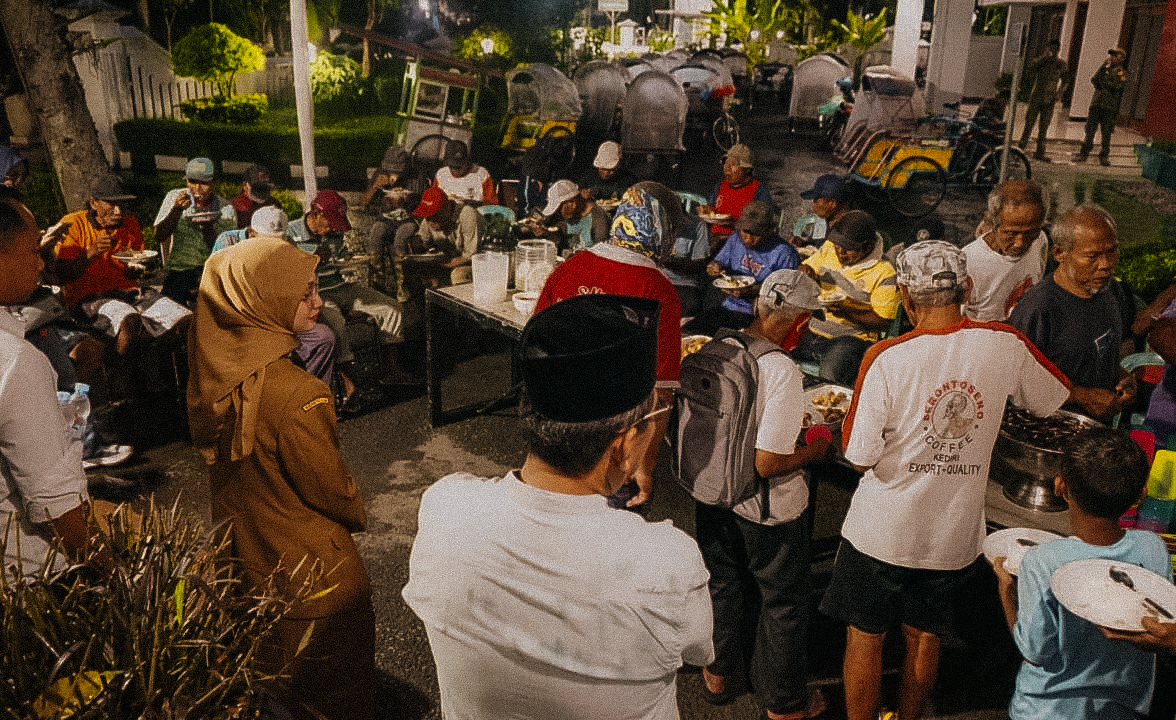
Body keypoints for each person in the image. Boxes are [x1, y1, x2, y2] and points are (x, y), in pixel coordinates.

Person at [402, 294, 713, 720]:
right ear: (622, 443)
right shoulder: (667, 562)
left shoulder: (445, 508)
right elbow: (697, 649)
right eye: (656, 415)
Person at [819, 240, 1070, 720]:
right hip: (952, 534)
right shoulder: (1005, 343)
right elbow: (1049, 398)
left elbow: (859, 454)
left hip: (881, 531)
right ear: (969, 287)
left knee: (866, 635)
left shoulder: (886, 356)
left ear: (907, 299)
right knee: (925, 634)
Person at [187, 235, 374, 720]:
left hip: (245, 564)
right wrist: (358, 510)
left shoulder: (216, 373)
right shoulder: (300, 393)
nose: (318, 303)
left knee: (273, 693)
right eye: (305, 293)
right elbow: (332, 491)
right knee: (337, 700)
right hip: (314, 580)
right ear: (260, 298)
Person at [694, 270, 831, 720]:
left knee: (724, 581)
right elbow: (768, 464)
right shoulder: (781, 370)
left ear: (759, 305)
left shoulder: (717, 346)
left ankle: (718, 674)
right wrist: (815, 449)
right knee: (784, 603)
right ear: (800, 322)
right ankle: (785, 702)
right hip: (765, 508)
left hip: (713, 494)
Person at [994, 427, 1169, 720]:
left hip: (1045, 711)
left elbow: (1036, 651)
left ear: (1060, 485)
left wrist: (1007, 592)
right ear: (1141, 493)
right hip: (1122, 711)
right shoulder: (1153, 548)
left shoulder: (1042, 560)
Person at [536, 190, 681, 509]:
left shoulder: (568, 268)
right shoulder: (658, 290)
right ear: (658, 232)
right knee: (608, 545)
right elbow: (661, 393)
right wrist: (645, 466)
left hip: (554, 434)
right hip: (613, 447)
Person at [0, 195, 94, 578]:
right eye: (32, 250)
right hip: (28, 579)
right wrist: (111, 575)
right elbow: (56, 504)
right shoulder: (14, 361)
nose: (40, 263)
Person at [1007, 204, 1136, 422]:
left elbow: (1099, 353)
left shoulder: (1111, 291)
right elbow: (1015, 384)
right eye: (1092, 256)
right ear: (1060, 253)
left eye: (1112, 251)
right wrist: (1084, 397)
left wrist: (1122, 376)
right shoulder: (1037, 310)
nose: (1105, 265)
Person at [288, 190, 418, 388]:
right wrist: (312, 258)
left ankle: (392, 370)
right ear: (316, 214)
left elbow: (342, 259)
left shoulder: (335, 234)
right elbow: (287, 271)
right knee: (336, 322)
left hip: (342, 286)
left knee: (392, 308)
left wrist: (348, 260)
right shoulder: (290, 234)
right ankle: (348, 381)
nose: (333, 228)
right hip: (316, 293)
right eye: (330, 222)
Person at [212, 207, 339, 387]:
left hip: (277, 317)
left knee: (323, 337)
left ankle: (306, 394)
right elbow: (217, 287)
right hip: (243, 320)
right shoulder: (227, 242)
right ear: (252, 234)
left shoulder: (285, 243)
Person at [795, 210, 899, 386]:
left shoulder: (885, 273)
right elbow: (807, 266)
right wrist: (806, 272)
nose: (840, 253)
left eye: (848, 250)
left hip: (851, 339)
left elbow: (883, 322)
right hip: (811, 330)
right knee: (776, 354)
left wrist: (846, 312)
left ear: (867, 247)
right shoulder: (829, 248)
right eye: (838, 247)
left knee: (829, 375)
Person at [689, 200, 799, 334]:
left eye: (755, 234)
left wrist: (751, 291)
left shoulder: (784, 253)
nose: (748, 238)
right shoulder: (736, 239)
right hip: (728, 306)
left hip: (759, 317)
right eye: (745, 231)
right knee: (692, 331)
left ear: (769, 231)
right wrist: (713, 267)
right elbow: (718, 262)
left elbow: (784, 298)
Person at [153, 157, 237, 304]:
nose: (197, 188)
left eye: (204, 183)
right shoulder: (175, 197)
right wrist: (176, 210)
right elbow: (159, 235)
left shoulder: (226, 209)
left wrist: (208, 228)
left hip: (210, 272)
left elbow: (225, 252)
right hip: (179, 271)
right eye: (192, 181)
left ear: (214, 183)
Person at [963, 179, 1049, 321]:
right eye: (1011, 233)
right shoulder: (969, 262)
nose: (1020, 243)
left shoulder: (1040, 240)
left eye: (1030, 233)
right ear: (992, 224)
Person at [702, 143, 773, 241]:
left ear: (747, 170)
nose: (727, 167)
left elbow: (763, 224)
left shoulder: (759, 190)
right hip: (713, 237)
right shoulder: (720, 186)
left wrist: (736, 224)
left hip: (740, 241)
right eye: (726, 163)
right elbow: (711, 208)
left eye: (733, 164)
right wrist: (707, 211)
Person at [1075, 49, 1128, 166]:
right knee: (1090, 129)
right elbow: (1094, 80)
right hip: (1097, 104)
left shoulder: (1122, 74)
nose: (1112, 58)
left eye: (1115, 56)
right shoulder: (1104, 70)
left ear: (1121, 59)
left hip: (1109, 107)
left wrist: (1105, 80)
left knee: (1106, 132)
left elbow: (1116, 86)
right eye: (1112, 55)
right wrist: (1102, 68)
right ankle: (1084, 152)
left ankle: (1104, 155)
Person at [1018, 41, 1068, 162]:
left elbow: (1066, 80)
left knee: (1044, 127)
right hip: (1036, 97)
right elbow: (1029, 71)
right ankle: (1020, 149)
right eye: (1051, 49)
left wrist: (1059, 92)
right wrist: (1042, 58)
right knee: (1029, 124)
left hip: (1049, 99)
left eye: (1056, 49)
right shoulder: (1041, 62)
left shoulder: (1061, 64)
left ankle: (1040, 152)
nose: (1053, 51)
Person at [532, 179, 610, 252]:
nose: (557, 213)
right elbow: (560, 237)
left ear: (572, 203)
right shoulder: (569, 215)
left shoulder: (598, 218)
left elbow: (602, 250)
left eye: (559, 209)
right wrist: (545, 232)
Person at [791, 174, 852, 247]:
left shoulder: (845, 231)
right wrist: (802, 244)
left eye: (816, 200)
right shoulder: (827, 222)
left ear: (832, 203)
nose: (813, 204)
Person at [432, 140, 498, 205]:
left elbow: (491, 203)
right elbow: (432, 199)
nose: (454, 170)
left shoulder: (481, 174)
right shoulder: (441, 174)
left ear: (467, 160)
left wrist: (475, 204)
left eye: (458, 167)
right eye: (451, 166)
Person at [230, 163, 280, 229]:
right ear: (245, 186)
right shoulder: (236, 206)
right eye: (257, 187)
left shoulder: (273, 203)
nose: (262, 192)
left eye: (265, 187)